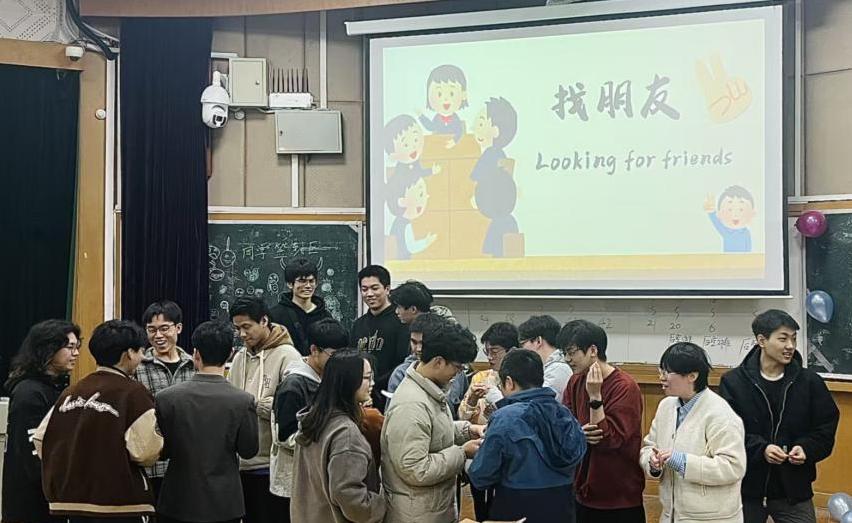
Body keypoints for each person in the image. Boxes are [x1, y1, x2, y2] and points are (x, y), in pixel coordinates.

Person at [34, 320, 163, 523]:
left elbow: (41, 439)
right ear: (129, 353)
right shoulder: (134, 393)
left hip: (72, 504)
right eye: (141, 351)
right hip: (121, 504)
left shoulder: (71, 391)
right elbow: (145, 452)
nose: (143, 357)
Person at [719, 310, 840, 523]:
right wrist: (761, 449)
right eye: (783, 339)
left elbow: (825, 427)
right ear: (762, 341)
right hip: (747, 489)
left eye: (793, 339)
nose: (790, 346)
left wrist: (806, 448)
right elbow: (726, 432)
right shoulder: (734, 382)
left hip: (794, 489)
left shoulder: (809, 382)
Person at [155, 320, 259, 523]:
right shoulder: (243, 401)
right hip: (224, 504)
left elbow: (162, 451)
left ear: (196, 354)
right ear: (230, 354)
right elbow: (249, 451)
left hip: (177, 500)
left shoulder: (166, 398)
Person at [381, 320, 484, 523]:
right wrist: (462, 453)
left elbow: (433, 432)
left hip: (432, 509)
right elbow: (415, 469)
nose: (458, 373)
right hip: (416, 515)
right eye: (457, 367)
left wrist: (468, 430)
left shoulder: (429, 389)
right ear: (438, 362)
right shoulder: (411, 405)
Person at [468, 349, 586, 523]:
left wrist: (477, 452)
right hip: (563, 506)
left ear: (509, 382)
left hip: (516, 508)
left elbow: (480, 477)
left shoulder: (505, 418)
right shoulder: (565, 414)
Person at [640, 342, 747, 523]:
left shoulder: (720, 413)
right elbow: (649, 447)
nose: (661, 377)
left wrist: (682, 462)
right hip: (671, 515)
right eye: (661, 371)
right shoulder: (666, 406)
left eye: (667, 372)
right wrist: (652, 463)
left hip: (711, 518)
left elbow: (733, 467)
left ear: (692, 376)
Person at [559, 320, 645, 523]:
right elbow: (564, 425)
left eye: (572, 352)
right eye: (565, 353)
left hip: (618, 495)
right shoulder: (575, 380)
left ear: (593, 350)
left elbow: (608, 441)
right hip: (583, 489)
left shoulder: (625, 386)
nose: (567, 359)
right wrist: (579, 433)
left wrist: (595, 396)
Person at [228, 296, 301, 523]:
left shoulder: (288, 355)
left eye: (246, 327)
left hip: (272, 466)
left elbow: (295, 410)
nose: (242, 334)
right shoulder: (240, 357)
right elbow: (230, 398)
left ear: (264, 321)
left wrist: (261, 406)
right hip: (241, 464)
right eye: (237, 329)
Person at [291, 351, 386, 523]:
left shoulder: (314, 419)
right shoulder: (345, 434)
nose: (372, 383)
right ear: (348, 381)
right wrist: (379, 506)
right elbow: (348, 495)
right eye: (367, 378)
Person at [2, 320, 80, 523]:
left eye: (77, 347)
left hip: (49, 500)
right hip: (31, 504)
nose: (76, 353)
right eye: (70, 347)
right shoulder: (29, 393)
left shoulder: (54, 388)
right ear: (48, 349)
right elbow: (33, 457)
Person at [270, 318, 349, 516]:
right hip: (293, 481)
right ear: (314, 350)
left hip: (318, 477)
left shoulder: (330, 378)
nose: (340, 362)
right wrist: (327, 438)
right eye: (334, 355)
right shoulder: (293, 385)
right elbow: (284, 436)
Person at [135, 300, 195, 497]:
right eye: (151, 330)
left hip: (188, 463)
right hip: (152, 466)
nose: (158, 336)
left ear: (178, 328)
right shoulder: (138, 367)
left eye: (164, 328)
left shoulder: (194, 365)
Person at [350, 265, 410, 410]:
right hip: (362, 398)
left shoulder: (400, 321)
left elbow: (402, 362)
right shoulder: (358, 325)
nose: (369, 294)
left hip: (391, 394)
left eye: (375, 288)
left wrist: (375, 382)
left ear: (387, 289)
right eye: (364, 289)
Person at [268, 257, 333, 356]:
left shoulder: (325, 316)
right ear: (290, 284)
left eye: (311, 281)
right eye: (302, 281)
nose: (308, 286)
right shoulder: (276, 315)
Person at [458, 321, 518, 425]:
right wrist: (472, 401)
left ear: (512, 351)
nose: (489, 357)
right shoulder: (480, 377)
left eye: (494, 352)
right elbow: (461, 419)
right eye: (487, 352)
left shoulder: (521, 380)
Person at [518, 315, 571, 397]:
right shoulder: (550, 367)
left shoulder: (557, 369)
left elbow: (539, 402)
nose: (522, 349)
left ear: (538, 341)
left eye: (522, 344)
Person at [418, 64, 468, 144]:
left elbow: (460, 131)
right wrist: (421, 116)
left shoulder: (455, 118)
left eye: (451, 93)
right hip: (439, 147)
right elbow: (431, 127)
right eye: (439, 94)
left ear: (463, 95)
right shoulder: (437, 118)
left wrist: (454, 141)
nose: (445, 99)